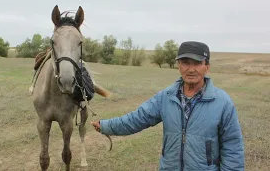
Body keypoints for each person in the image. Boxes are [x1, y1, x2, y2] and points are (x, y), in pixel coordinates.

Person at [91, 41, 244, 170]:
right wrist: (106, 125)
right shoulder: (166, 97)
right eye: (185, 63)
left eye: (197, 63)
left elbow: (233, 149)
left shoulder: (222, 102)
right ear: (178, 65)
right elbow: (137, 119)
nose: (191, 69)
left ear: (207, 67)